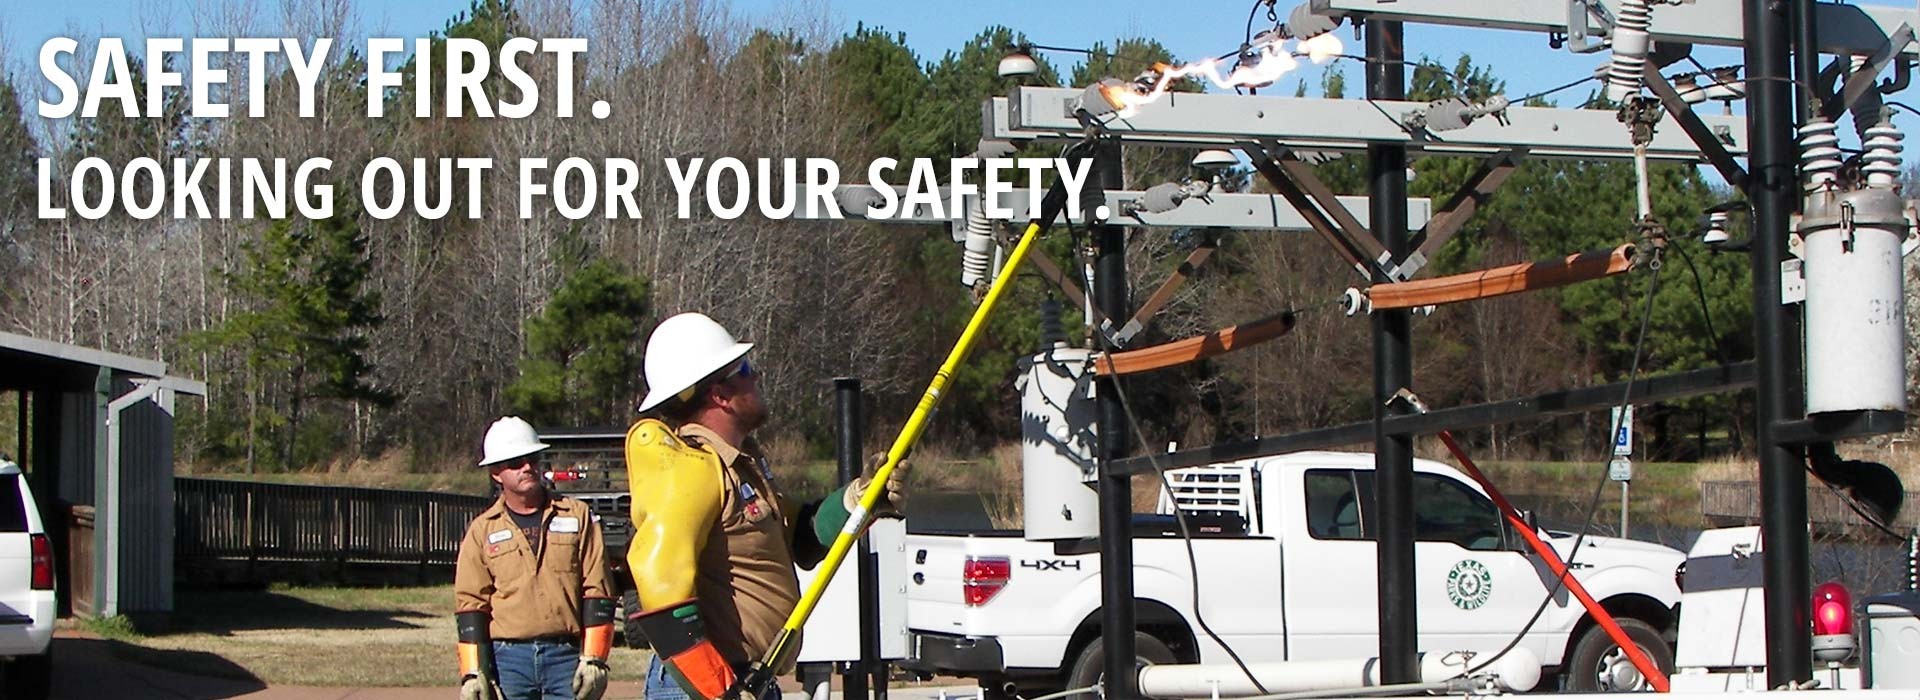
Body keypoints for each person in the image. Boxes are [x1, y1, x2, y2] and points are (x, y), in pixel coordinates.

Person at [623, 312, 908, 700]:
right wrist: (718, 688)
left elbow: (802, 537)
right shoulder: (692, 470)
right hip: (703, 687)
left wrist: (858, 499)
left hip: (748, 679)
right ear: (719, 394)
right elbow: (661, 590)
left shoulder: (741, 467)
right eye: (743, 368)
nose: (755, 376)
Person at [454, 416, 616, 700]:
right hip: (508, 663)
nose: (527, 467)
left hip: (566, 657)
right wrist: (473, 672)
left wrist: (594, 659)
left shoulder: (577, 516)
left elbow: (598, 590)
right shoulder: (482, 530)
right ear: (496, 473)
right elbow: (471, 604)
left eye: (532, 458)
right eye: (515, 463)